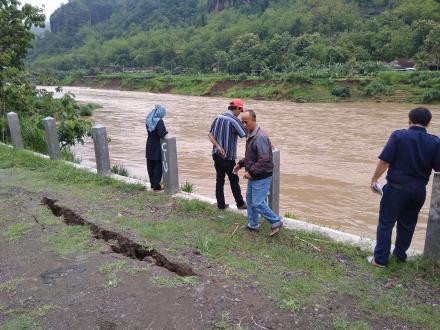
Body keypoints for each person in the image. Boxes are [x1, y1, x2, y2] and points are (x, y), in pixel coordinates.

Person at [369, 107, 440, 267]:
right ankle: (400, 257)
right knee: (407, 225)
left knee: (386, 223)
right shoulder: (435, 142)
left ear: (409, 120)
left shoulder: (399, 136)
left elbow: (385, 161)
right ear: (428, 123)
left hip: (396, 188)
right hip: (418, 191)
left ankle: (380, 260)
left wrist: (374, 179)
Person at [233, 109, 283, 236]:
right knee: (250, 200)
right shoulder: (251, 134)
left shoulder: (260, 137)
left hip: (262, 175)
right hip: (255, 175)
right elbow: (251, 157)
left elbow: (264, 160)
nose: (244, 125)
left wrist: (251, 172)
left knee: (258, 202)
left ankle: (276, 221)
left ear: (254, 120)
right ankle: (253, 224)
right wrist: (240, 164)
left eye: (246, 122)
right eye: (242, 122)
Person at [208, 99, 247, 210]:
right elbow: (244, 134)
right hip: (228, 157)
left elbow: (210, 134)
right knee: (234, 180)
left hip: (216, 154)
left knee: (219, 180)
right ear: (237, 108)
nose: (240, 113)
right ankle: (240, 204)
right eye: (240, 110)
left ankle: (221, 205)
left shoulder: (218, 117)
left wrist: (218, 147)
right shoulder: (234, 120)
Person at [145, 104, 168, 191]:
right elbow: (161, 134)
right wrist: (166, 132)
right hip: (157, 147)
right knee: (157, 166)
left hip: (149, 145)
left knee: (150, 165)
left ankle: (152, 184)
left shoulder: (148, 119)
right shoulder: (159, 121)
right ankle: (156, 186)